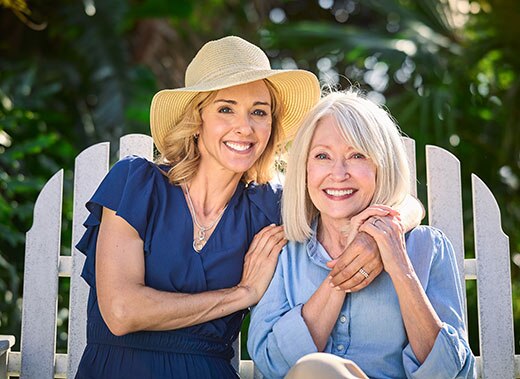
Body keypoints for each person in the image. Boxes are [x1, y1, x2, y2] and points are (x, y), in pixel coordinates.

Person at [74, 36, 389, 379]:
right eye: (226, 109)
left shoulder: (271, 207)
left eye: (258, 112)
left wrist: (381, 234)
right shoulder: (137, 184)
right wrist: (242, 294)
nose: (245, 126)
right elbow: (121, 312)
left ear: (271, 126)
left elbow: (375, 197)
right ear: (198, 119)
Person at [248, 90, 476, 379]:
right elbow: (271, 364)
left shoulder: (427, 247)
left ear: (383, 165)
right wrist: (343, 275)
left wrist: (399, 267)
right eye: (322, 156)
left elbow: (453, 374)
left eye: (357, 155)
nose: (338, 173)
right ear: (304, 170)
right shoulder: (283, 254)